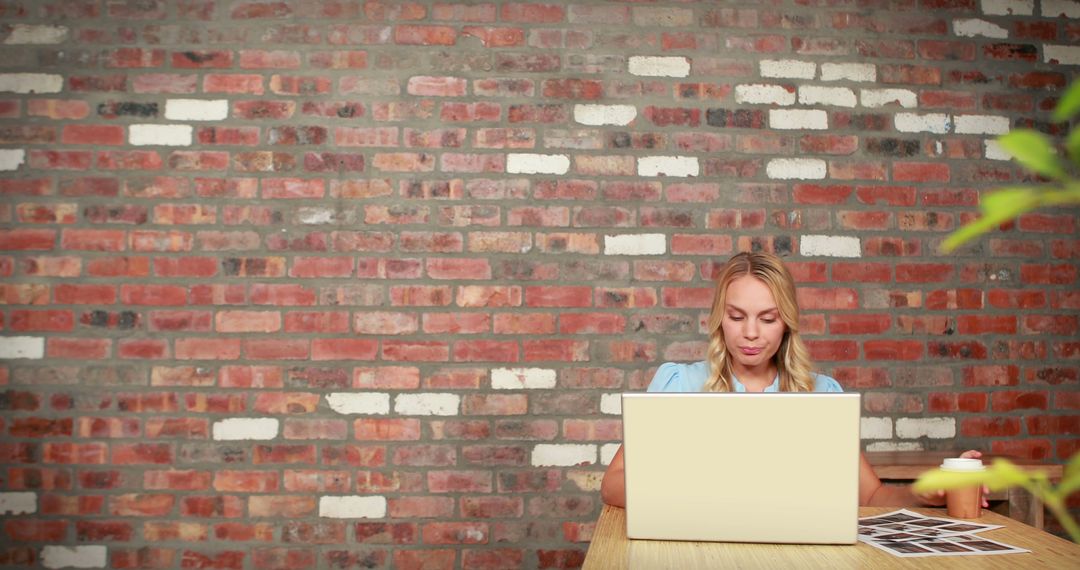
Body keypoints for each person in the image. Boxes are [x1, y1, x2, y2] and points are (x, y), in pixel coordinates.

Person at [600, 251, 985, 508]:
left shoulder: (821, 394)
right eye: (737, 317)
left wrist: (929, 495)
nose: (751, 333)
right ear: (719, 318)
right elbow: (612, 484)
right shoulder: (678, 385)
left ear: (786, 322)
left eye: (767, 319)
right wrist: (692, 493)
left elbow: (870, 495)